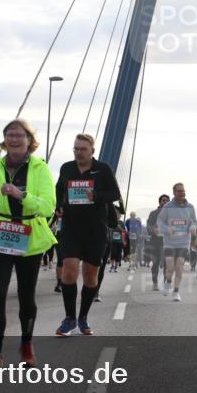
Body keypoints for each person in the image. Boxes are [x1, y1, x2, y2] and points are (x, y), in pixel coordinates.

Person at [0, 119, 56, 369]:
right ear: (4, 139)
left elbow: (48, 207)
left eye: (19, 135)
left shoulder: (41, 169)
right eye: (10, 135)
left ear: (29, 140)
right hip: (1, 234)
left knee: (26, 295)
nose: (14, 139)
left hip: (29, 235)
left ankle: (27, 345)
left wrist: (21, 195)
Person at [54, 133, 122, 335]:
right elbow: (58, 189)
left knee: (91, 276)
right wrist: (59, 205)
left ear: (92, 151)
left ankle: (83, 317)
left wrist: (95, 195)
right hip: (71, 228)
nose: (78, 152)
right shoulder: (67, 168)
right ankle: (69, 319)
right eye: (75, 149)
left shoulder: (103, 169)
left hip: (95, 230)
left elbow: (115, 194)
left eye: (82, 149)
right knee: (68, 271)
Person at [157, 183, 197, 301]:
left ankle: (176, 292)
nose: (182, 193)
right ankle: (168, 281)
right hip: (169, 242)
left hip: (184, 242)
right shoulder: (167, 207)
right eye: (179, 191)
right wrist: (167, 229)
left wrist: (193, 227)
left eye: (183, 191)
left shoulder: (190, 207)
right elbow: (160, 221)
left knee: (179, 267)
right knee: (170, 267)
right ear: (174, 193)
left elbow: (194, 221)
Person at [146, 195, 170, 288]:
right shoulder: (153, 213)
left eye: (167, 201)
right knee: (155, 262)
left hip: (168, 241)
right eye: (163, 200)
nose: (165, 202)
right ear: (159, 202)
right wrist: (153, 230)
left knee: (167, 263)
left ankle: (166, 282)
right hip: (155, 241)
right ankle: (155, 283)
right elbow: (149, 225)